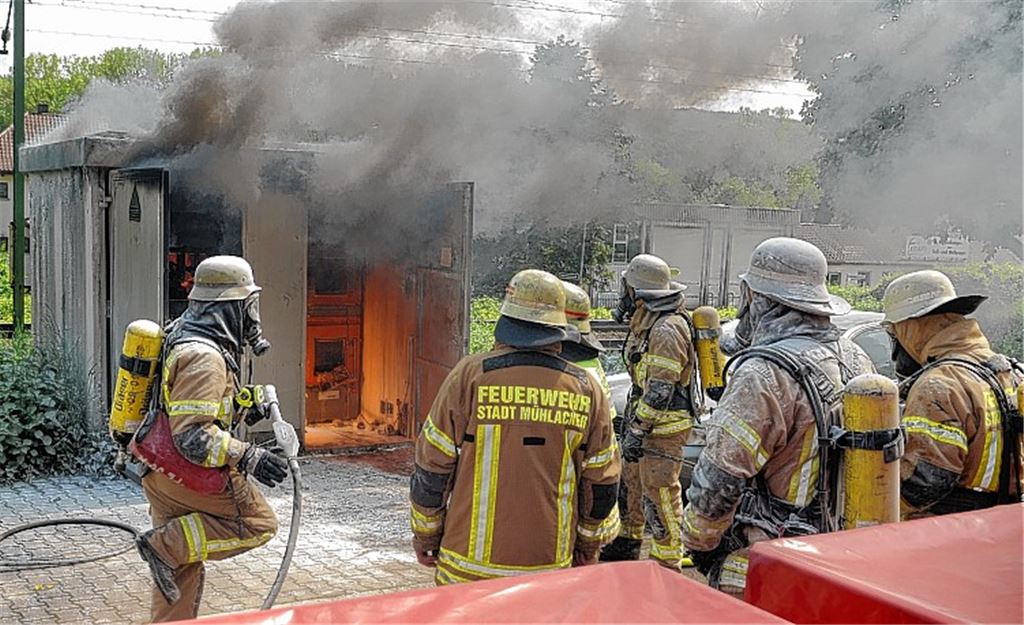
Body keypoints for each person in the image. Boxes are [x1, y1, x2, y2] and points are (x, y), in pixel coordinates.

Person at [681, 238, 873, 597]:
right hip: (841, 555)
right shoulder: (855, 357)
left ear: (756, 299)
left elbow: (720, 479)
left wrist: (700, 542)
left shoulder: (763, 374)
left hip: (775, 560)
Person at [409, 269, 620, 585]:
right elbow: (602, 483)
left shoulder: (469, 376)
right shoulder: (587, 389)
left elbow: (432, 468)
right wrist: (588, 545)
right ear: (559, 328)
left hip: (466, 571)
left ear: (505, 321)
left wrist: (426, 535)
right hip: (547, 573)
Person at [133, 256, 286, 622]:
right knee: (256, 523)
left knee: (181, 566)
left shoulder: (181, 335)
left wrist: (243, 407)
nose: (252, 317)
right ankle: (160, 546)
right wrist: (249, 456)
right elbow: (193, 437)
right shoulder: (204, 357)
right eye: (248, 306)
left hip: (160, 473)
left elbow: (183, 407)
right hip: (189, 474)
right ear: (230, 308)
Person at [882, 269, 1022, 516]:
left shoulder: (939, 386)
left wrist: (877, 509)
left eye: (894, 333)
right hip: (1009, 527)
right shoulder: (1011, 372)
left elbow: (924, 483)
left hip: (950, 532)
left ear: (910, 327)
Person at [600, 254, 696, 571]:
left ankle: (667, 558)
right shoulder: (648, 321)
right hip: (644, 422)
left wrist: (638, 432)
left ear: (637, 290)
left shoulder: (667, 329)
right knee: (632, 483)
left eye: (626, 285)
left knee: (660, 490)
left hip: (664, 428)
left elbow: (660, 390)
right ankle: (627, 542)